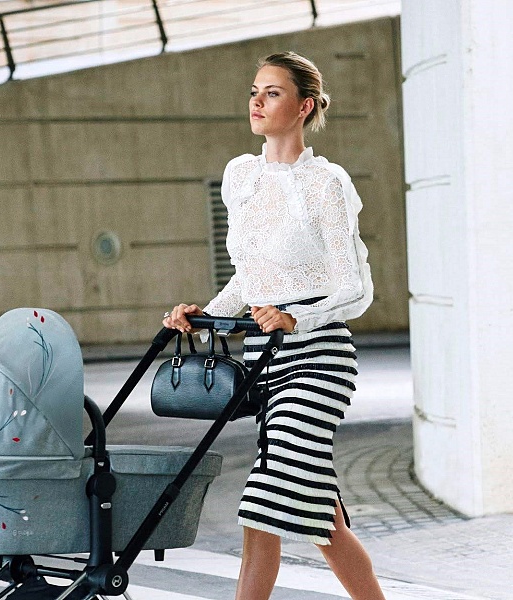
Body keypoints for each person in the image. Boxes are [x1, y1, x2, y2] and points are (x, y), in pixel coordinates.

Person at [164, 51, 386, 600]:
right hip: (265, 357)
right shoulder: (241, 177)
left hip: (318, 357)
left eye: (273, 93)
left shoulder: (325, 184)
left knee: (261, 504)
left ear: (304, 106)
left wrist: (295, 315)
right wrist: (202, 313)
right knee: (321, 517)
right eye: (254, 91)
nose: (257, 102)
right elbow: (249, 278)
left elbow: (353, 286)